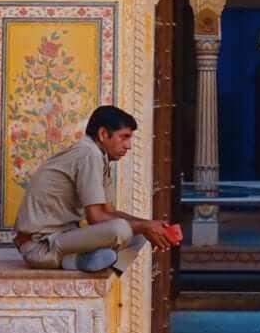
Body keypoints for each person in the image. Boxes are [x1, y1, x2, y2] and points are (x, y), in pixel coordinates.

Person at [14, 104, 174, 272]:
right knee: (122, 229)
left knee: (139, 234)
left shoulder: (100, 158)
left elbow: (109, 211)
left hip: (63, 241)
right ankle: (84, 261)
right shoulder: (88, 154)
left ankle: (93, 267)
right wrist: (145, 226)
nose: (128, 146)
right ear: (103, 134)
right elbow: (96, 218)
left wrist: (149, 225)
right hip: (40, 247)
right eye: (124, 137)